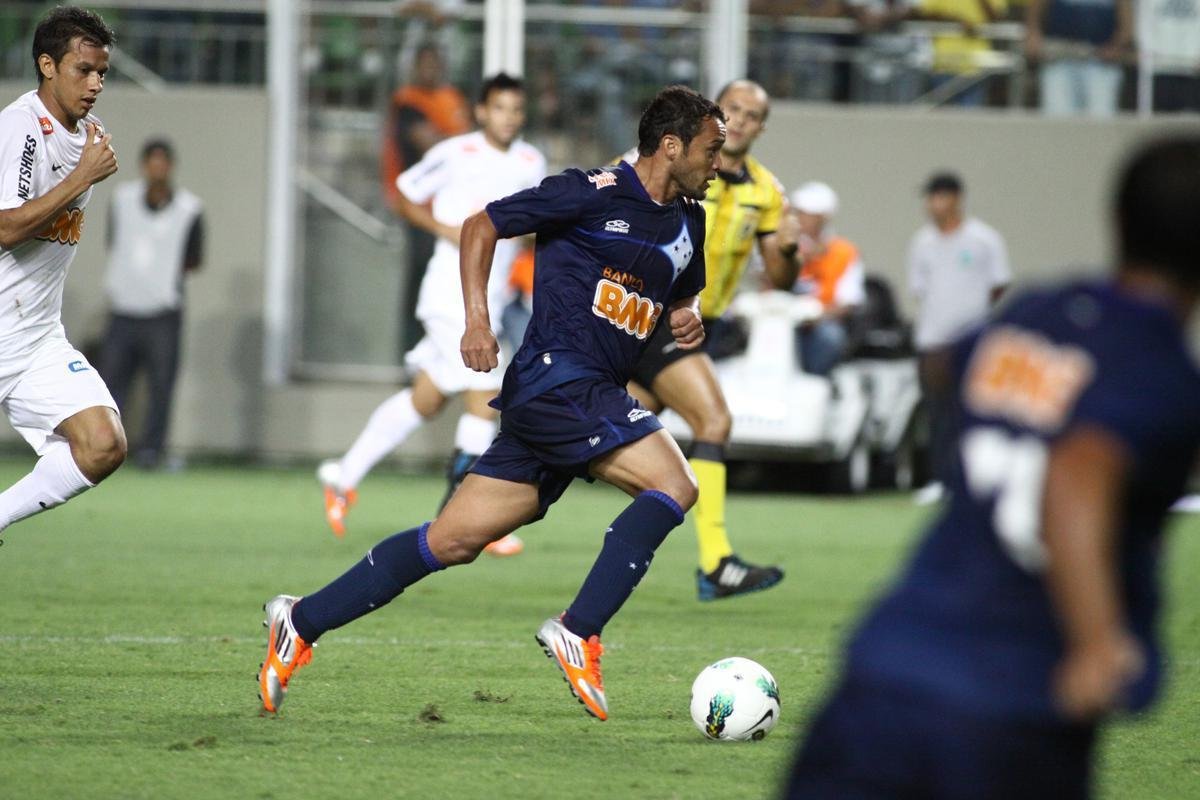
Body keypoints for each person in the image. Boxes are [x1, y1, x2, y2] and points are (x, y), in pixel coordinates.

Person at [259, 84, 722, 722]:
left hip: (581, 396)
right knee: (675, 483)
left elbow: (683, 294)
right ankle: (578, 629)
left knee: (449, 541)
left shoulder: (690, 221)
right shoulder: (589, 192)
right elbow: (482, 224)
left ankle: (299, 620)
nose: (717, 162)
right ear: (671, 146)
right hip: (559, 380)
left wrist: (686, 316)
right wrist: (477, 321)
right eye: (711, 148)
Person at [785, 134, 1200, 800]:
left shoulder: (1036, 310)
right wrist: (1098, 643)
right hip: (1011, 702)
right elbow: (1076, 472)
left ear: (1118, 221)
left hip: (884, 668)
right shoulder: (1161, 372)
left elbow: (953, 366)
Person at [318, 73, 545, 555]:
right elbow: (403, 193)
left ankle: (343, 475)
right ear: (482, 111)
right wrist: (446, 228)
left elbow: (531, 222)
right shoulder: (455, 152)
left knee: (427, 399)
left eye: (516, 110)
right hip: (451, 296)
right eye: (500, 107)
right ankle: (470, 519)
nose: (508, 117)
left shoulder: (531, 162)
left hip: (492, 297)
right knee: (487, 397)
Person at [626, 80, 799, 602]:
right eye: (735, 110)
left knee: (602, 431)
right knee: (713, 421)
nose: (743, 120)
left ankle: (500, 478)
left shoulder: (767, 191)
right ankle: (715, 562)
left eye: (754, 114)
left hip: (704, 324)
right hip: (659, 316)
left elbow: (781, 278)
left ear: (762, 127)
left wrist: (790, 252)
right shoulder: (685, 163)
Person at [0, 7, 124, 535]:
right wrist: (80, 177)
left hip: (35, 338)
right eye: (83, 70)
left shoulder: (89, 133)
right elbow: (6, 227)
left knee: (103, 444)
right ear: (47, 65)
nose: (95, 83)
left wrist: (80, 171)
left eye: (102, 72)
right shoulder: (21, 127)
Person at [100, 138, 203, 470]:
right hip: (123, 310)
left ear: (170, 167)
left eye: (163, 163)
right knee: (109, 387)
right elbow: (114, 242)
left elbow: (193, 259)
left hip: (163, 313)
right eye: (152, 162)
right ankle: (102, 450)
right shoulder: (122, 200)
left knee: (161, 388)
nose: (157, 169)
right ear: (144, 165)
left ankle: (150, 453)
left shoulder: (190, 208)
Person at [907, 171, 1009, 504]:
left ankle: (974, 482)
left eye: (938, 197)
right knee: (938, 414)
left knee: (973, 413)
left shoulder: (983, 239)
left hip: (972, 342)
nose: (932, 205)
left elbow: (998, 284)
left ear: (955, 199)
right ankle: (940, 479)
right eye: (929, 198)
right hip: (932, 342)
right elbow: (920, 289)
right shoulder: (922, 242)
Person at [380, 42, 471, 353]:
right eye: (425, 64)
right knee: (421, 278)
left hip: (453, 206)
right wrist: (461, 141)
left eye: (436, 63)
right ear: (415, 67)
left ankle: (444, 346)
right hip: (421, 207)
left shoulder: (452, 99)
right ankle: (412, 350)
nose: (431, 70)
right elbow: (429, 143)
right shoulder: (408, 101)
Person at [789, 181, 866, 377]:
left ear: (823, 218)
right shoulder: (786, 246)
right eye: (799, 212)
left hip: (820, 325)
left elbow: (849, 302)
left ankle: (815, 381)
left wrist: (815, 316)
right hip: (784, 321)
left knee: (830, 337)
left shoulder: (844, 252)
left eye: (807, 214)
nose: (800, 218)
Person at [1025, 0, 1132, 118]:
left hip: (1100, 61)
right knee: (1056, 117)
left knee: (1100, 118)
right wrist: (1033, 33)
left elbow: (1127, 21)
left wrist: (1118, 45)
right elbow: (1036, 8)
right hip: (1059, 58)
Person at [918, 0, 1008, 106]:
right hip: (944, 61)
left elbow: (996, 17)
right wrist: (956, 22)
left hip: (976, 66)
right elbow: (925, 14)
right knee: (942, 118)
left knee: (970, 119)